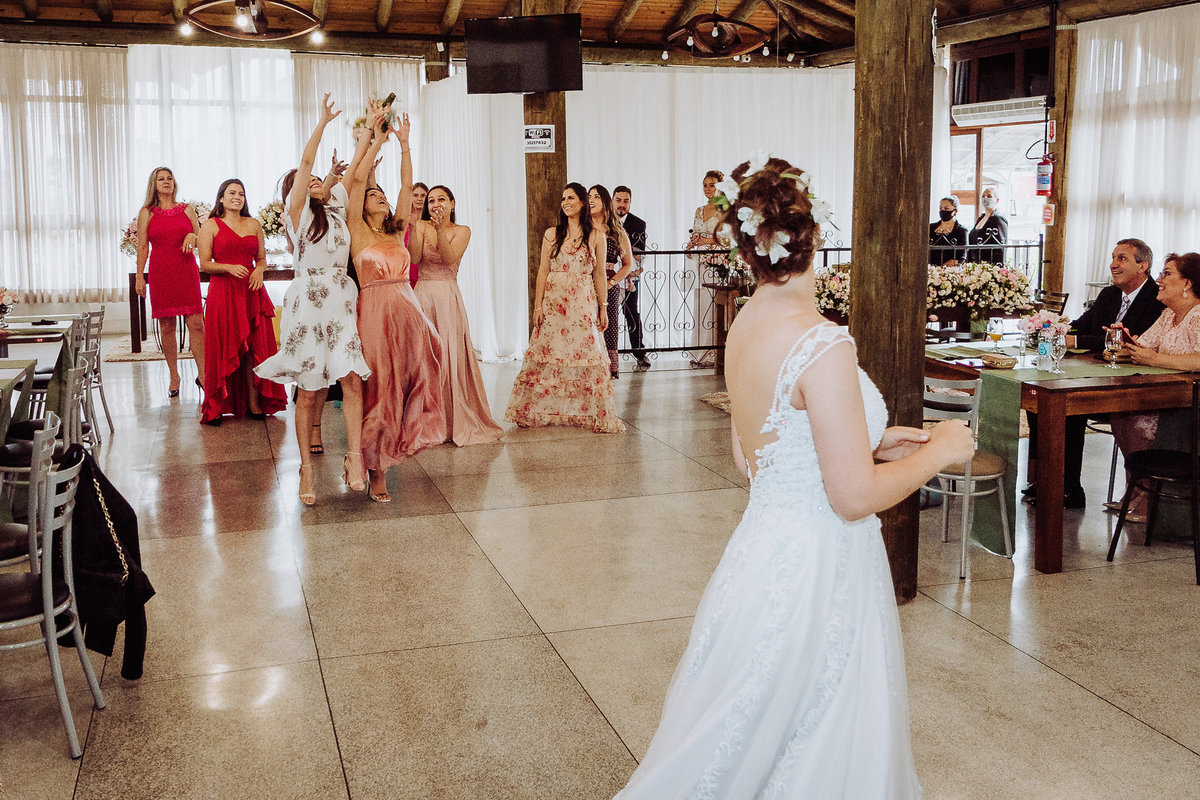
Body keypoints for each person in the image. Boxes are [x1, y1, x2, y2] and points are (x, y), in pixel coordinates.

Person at [614, 156, 974, 799]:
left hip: (762, 548)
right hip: (820, 562)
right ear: (817, 237)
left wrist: (870, 439)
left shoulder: (745, 325)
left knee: (750, 724)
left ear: (746, 248)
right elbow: (853, 497)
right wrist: (940, 451)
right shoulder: (821, 341)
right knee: (817, 724)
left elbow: (754, 454)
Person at [253, 94, 370, 506]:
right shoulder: (297, 212)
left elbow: (356, 170)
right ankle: (306, 467)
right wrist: (321, 123)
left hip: (340, 298)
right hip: (308, 301)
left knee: (351, 378)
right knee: (309, 387)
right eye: (309, 180)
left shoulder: (338, 206)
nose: (315, 179)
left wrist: (369, 130)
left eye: (321, 178)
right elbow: (305, 163)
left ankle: (354, 458)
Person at [346, 104, 446, 503]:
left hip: (408, 311)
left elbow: (406, 187)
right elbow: (357, 181)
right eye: (374, 194)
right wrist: (375, 137)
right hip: (374, 312)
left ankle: (401, 442)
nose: (381, 196)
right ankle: (376, 469)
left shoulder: (395, 231)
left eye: (381, 194)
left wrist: (404, 144)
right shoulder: (357, 230)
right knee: (380, 387)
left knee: (412, 378)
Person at [1024, 238, 1164, 508]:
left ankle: (1069, 489)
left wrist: (1074, 341)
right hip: (1099, 372)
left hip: (1131, 385)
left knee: (1068, 406)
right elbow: (1083, 325)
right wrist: (1055, 329)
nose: (1113, 264)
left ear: (1143, 265)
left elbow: (1129, 341)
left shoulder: (1156, 299)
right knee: (1038, 401)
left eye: (1122, 258)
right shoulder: (1109, 295)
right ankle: (1047, 479)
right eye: (1113, 258)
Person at [505, 183, 624, 433]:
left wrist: (603, 307)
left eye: (571, 198)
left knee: (586, 352)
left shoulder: (596, 235)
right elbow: (542, 271)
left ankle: (593, 413)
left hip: (583, 302)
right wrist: (537, 307)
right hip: (554, 301)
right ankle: (532, 409)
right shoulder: (552, 234)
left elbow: (599, 274)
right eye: (563, 199)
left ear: (582, 202)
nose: (565, 202)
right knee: (548, 351)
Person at [408, 185, 504, 446]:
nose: (435, 204)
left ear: (452, 203)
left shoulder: (462, 231)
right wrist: (414, 226)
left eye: (441, 199)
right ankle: (425, 421)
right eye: (431, 200)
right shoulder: (421, 226)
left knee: (448, 354)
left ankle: (451, 420)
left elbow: (449, 259)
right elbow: (414, 259)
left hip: (447, 296)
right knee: (423, 356)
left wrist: (440, 229)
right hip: (423, 295)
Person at [1111, 252, 1200, 521]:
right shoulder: (1167, 315)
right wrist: (1127, 345)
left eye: (1166, 274)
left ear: (1187, 283)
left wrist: (1157, 359)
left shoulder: (1198, 315)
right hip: (1166, 397)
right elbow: (1146, 347)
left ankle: (1149, 494)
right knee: (1120, 415)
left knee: (1135, 421)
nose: (1158, 279)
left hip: (1190, 406)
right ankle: (1140, 486)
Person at [198, 178, 287, 425]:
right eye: (232, 193)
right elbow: (204, 263)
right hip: (224, 292)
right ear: (221, 198)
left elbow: (262, 259)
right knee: (223, 347)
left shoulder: (254, 224)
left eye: (241, 194)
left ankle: (254, 401)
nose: (237, 197)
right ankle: (216, 404)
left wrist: (259, 271)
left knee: (254, 348)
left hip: (251, 290)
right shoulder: (211, 225)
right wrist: (228, 268)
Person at [134, 167, 205, 397]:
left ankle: (203, 374)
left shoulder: (187, 209)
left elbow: (202, 239)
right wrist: (139, 276)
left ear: (174, 182)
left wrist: (193, 236)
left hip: (186, 271)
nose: (166, 181)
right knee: (167, 327)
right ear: (154, 185)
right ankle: (174, 375)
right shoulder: (147, 213)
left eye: (169, 178)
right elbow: (142, 246)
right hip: (161, 273)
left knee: (196, 324)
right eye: (161, 179)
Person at [589, 184, 635, 378]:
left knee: (606, 326)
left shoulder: (616, 231)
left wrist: (612, 283)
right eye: (589, 196)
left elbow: (628, 264)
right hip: (584, 285)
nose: (591, 200)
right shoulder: (584, 228)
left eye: (596, 196)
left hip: (608, 285)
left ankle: (607, 370)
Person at [686, 170, 727, 358]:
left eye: (712, 185)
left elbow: (729, 238)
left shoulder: (725, 210)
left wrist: (707, 241)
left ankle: (713, 353)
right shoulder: (699, 210)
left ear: (720, 187)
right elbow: (696, 233)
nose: (708, 189)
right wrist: (691, 244)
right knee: (701, 304)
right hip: (700, 261)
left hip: (717, 262)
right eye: (705, 185)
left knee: (713, 304)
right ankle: (699, 351)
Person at [613, 185, 650, 370]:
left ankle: (639, 352)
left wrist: (633, 267)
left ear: (630, 202)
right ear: (612, 201)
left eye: (626, 201)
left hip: (629, 276)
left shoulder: (638, 224)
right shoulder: (603, 220)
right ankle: (606, 355)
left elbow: (639, 254)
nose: (622, 204)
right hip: (609, 275)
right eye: (618, 200)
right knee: (607, 315)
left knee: (632, 313)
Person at [968, 186, 1008, 264]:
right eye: (983, 196)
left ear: (997, 200)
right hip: (975, 263)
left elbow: (1001, 246)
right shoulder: (981, 218)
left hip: (989, 264)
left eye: (989, 196)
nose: (985, 198)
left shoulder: (998, 219)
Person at [929, 196, 967, 266]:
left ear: (955, 211)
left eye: (946, 208)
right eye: (940, 208)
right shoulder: (930, 228)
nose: (942, 211)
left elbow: (961, 257)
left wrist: (943, 268)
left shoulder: (961, 231)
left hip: (950, 269)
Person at [407, 182, 428, 288]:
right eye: (415, 195)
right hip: (407, 273)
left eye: (423, 195)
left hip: (426, 275)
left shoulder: (431, 225)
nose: (419, 199)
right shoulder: (404, 224)